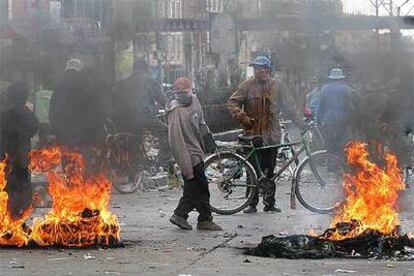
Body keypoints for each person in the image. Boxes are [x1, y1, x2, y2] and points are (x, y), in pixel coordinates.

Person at [228, 56, 304, 214]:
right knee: (253, 170)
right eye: (256, 68)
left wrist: (300, 123)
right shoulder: (247, 85)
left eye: (261, 68)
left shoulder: (278, 86)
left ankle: (269, 203)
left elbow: (290, 107)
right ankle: (251, 203)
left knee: (270, 170)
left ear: (268, 70)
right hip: (252, 133)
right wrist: (243, 118)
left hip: (271, 135)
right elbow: (233, 102)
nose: (259, 71)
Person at [168, 77, 222, 231]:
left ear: (191, 91)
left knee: (192, 190)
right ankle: (205, 219)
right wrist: (187, 169)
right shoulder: (175, 111)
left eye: (185, 92)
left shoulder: (195, 102)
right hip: (188, 156)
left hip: (198, 152)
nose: (183, 96)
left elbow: (202, 124)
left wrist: (210, 142)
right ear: (175, 95)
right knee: (201, 188)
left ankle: (180, 215)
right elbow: (176, 143)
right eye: (179, 94)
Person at [1, 82, 39, 218]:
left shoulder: (3, 112)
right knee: (21, 189)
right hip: (21, 158)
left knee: (6, 188)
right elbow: (34, 127)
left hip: (4, 157)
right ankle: (16, 217)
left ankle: (6, 218)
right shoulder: (26, 113)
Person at [49, 59, 107, 149]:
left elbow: (97, 113)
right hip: (63, 137)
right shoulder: (60, 89)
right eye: (69, 72)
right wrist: (54, 130)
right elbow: (53, 110)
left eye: (74, 73)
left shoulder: (90, 89)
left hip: (85, 139)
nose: (71, 76)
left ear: (80, 74)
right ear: (66, 73)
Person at [317, 68, 354, 159]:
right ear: (341, 78)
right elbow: (350, 107)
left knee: (329, 144)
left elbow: (320, 107)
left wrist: (318, 122)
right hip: (343, 122)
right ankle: (340, 164)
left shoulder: (324, 89)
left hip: (328, 121)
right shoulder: (347, 89)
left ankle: (331, 166)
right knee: (342, 144)